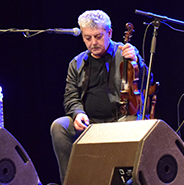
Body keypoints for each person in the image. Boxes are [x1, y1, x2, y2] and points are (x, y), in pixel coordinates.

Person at [50, 10, 151, 184]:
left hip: (120, 120)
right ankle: (72, 181)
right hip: (90, 123)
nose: (93, 43)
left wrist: (137, 62)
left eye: (98, 36)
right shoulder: (77, 62)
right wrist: (77, 113)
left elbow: (148, 84)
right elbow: (71, 96)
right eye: (87, 38)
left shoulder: (124, 53)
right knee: (59, 126)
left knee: (132, 124)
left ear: (109, 33)